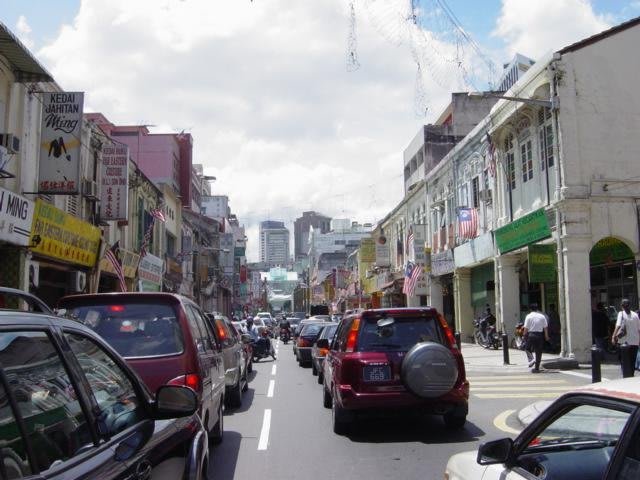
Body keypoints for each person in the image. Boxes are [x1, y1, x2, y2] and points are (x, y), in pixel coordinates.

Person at [611, 299, 640, 376]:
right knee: (632, 361)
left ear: (622, 306)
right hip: (635, 342)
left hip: (624, 342)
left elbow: (618, 326)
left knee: (623, 361)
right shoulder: (635, 315)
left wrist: (613, 336)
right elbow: (639, 329)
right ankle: (631, 375)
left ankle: (626, 376)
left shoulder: (621, 313)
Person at [523, 303, 549, 373]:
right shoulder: (542, 316)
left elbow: (526, 328)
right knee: (538, 352)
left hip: (531, 335)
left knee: (527, 348)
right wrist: (546, 336)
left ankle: (531, 359)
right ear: (537, 309)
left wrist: (524, 335)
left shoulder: (528, 316)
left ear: (530, 309)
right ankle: (537, 368)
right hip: (540, 335)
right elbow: (545, 327)